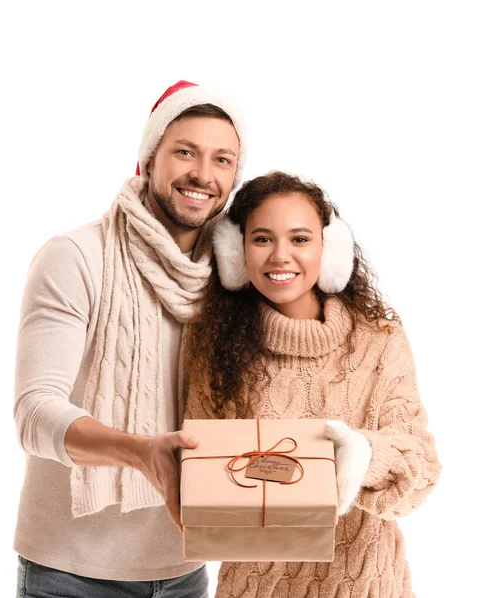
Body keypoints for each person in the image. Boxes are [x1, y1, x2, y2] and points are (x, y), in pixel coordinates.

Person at [13, 80, 246, 597]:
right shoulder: (76, 257)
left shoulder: (235, 279)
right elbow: (34, 413)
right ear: (149, 158)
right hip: (70, 572)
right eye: (184, 152)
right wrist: (140, 453)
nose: (203, 175)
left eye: (222, 159)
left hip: (187, 568)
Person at [183, 171, 442, 598]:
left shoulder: (380, 342)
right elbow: (202, 474)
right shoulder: (215, 348)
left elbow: (422, 470)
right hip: (253, 589)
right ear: (235, 253)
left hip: (366, 586)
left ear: (330, 249)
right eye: (262, 239)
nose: (280, 256)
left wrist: (362, 456)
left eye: (300, 239)